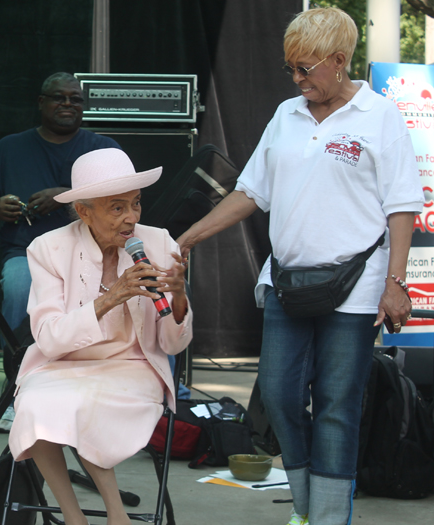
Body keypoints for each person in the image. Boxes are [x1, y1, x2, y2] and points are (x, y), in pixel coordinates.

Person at [177, 8, 423, 525]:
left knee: (337, 403)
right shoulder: (286, 115)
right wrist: (189, 238)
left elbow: (402, 207)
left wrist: (396, 284)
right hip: (287, 282)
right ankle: (310, 506)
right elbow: (251, 192)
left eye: (305, 68)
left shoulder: (381, 117)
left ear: (338, 61)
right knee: (281, 396)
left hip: (355, 288)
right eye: (291, 69)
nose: (296, 79)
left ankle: (326, 517)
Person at [8, 147, 192, 525]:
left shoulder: (158, 243)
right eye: (117, 208)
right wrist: (113, 297)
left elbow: (174, 345)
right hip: (64, 363)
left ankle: (116, 514)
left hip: (133, 366)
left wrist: (179, 300)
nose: (131, 219)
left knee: (83, 404)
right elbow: (49, 339)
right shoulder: (48, 249)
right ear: (84, 211)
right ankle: (75, 517)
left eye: (135, 204)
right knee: (35, 406)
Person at [0, 72, 120, 429]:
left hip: (92, 254)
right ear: (41, 102)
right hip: (27, 252)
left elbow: (121, 199)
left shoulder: (102, 147)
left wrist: (63, 194)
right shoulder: (10, 148)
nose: (67, 104)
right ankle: (17, 389)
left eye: (75, 99)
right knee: (19, 289)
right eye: (58, 98)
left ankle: (99, 395)